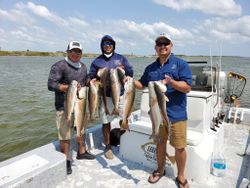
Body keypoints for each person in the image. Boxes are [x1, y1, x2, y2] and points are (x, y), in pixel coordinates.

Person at [134, 34, 192, 187]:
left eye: (166, 43)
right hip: (157, 115)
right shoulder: (150, 68)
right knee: (160, 143)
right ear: (155, 48)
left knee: (179, 147)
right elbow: (142, 84)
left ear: (171, 46)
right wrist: (129, 81)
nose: (162, 46)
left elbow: (187, 88)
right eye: (159, 44)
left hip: (177, 114)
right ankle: (160, 170)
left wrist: (171, 82)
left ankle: (180, 176)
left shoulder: (181, 64)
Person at [48, 41, 95, 175]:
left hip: (80, 104)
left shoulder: (84, 67)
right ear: (67, 52)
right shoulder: (59, 66)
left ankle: (82, 151)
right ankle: (66, 159)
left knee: (81, 128)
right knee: (65, 134)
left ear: (81, 53)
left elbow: (85, 79)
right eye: (73, 51)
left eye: (78, 51)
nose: (75, 54)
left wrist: (90, 81)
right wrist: (66, 88)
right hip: (64, 106)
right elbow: (51, 84)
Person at [89, 35, 133, 159]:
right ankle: (107, 146)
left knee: (123, 118)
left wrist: (126, 75)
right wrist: (93, 80)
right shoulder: (96, 61)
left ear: (113, 45)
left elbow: (130, 73)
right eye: (105, 44)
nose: (108, 46)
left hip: (121, 94)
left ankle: (124, 142)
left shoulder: (121, 58)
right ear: (102, 46)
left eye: (110, 43)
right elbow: (91, 76)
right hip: (105, 96)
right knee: (106, 121)